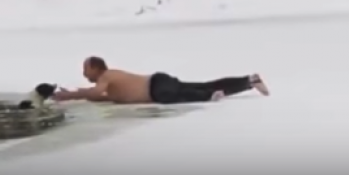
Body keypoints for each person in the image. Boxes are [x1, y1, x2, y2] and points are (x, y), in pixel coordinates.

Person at [52, 56, 269, 105]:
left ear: (96, 68)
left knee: (170, 96)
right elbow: (101, 97)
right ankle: (249, 81)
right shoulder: (109, 84)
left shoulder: (106, 76)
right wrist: (75, 95)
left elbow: (96, 93)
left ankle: (208, 96)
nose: (84, 75)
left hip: (157, 86)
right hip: (159, 83)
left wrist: (71, 95)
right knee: (205, 85)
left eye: (86, 70)